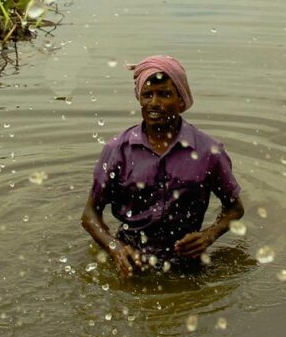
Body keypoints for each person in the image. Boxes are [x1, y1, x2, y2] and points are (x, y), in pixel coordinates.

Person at [82, 55, 244, 276]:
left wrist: (208, 236)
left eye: (165, 94)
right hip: (131, 259)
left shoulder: (209, 151)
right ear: (139, 99)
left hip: (186, 262)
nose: (154, 103)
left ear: (181, 100)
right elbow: (90, 214)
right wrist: (115, 248)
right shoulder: (118, 150)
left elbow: (235, 209)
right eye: (148, 95)